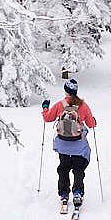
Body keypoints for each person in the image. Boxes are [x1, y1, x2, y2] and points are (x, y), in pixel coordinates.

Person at [42, 79, 97, 209]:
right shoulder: (83, 106)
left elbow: (47, 118)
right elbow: (90, 124)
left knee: (63, 169)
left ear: (66, 91)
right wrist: (94, 121)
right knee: (78, 169)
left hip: (63, 145)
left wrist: (45, 108)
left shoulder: (60, 105)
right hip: (78, 146)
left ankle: (64, 194)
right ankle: (77, 192)